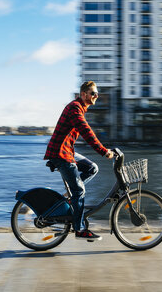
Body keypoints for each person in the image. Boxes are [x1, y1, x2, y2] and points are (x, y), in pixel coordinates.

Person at [44, 81, 114, 241]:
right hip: (60, 154)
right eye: (93, 93)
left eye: (96, 93)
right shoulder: (75, 108)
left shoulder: (79, 108)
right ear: (84, 94)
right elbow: (86, 132)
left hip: (67, 151)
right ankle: (80, 229)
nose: (96, 96)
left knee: (92, 168)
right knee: (79, 191)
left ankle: (70, 194)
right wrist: (104, 151)